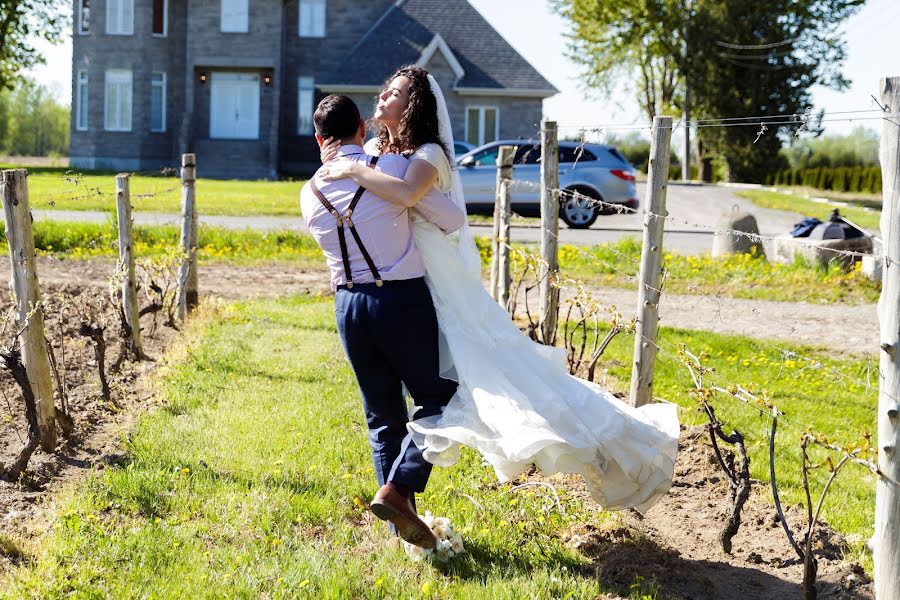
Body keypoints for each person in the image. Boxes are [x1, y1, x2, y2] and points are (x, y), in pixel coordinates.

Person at [319, 66, 680, 515]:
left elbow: (428, 206)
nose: (382, 96)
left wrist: (352, 168)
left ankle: (606, 442)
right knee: (399, 407)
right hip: (398, 285)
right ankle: (398, 505)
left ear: (413, 105)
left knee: (484, 380)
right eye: (385, 87)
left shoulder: (427, 154)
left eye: (394, 92)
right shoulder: (376, 151)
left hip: (432, 285)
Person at [299, 94, 466, 549]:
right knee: (441, 395)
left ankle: (401, 522)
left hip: (348, 307)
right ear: (361, 129)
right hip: (400, 300)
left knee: (381, 416)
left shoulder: (307, 190)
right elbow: (451, 220)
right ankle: (398, 487)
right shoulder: (388, 170)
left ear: (318, 139)